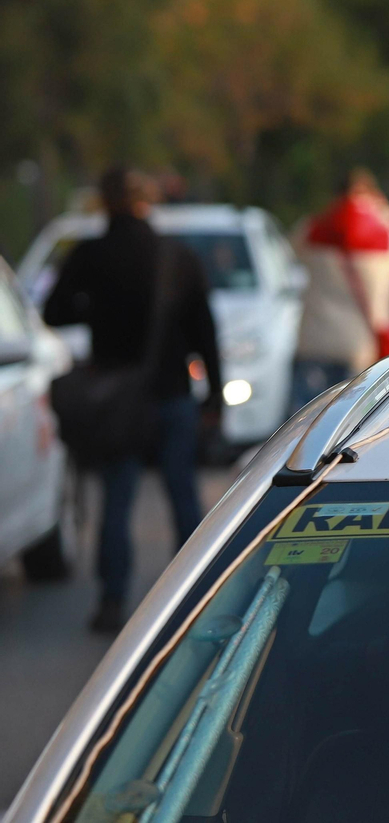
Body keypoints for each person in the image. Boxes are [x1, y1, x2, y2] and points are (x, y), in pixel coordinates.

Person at [43, 167, 223, 633]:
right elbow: (205, 332)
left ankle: (111, 600)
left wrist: (97, 310)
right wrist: (215, 399)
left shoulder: (90, 255)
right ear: (149, 202)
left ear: (104, 203)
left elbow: (53, 311)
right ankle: (195, 598)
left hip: (118, 399)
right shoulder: (177, 257)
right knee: (182, 494)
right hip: (172, 396)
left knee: (117, 500)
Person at [291, 169, 389, 409]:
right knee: (347, 423)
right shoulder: (385, 234)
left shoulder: (315, 228)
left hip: (313, 342)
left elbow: (292, 245)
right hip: (358, 346)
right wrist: (387, 214)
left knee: (305, 421)